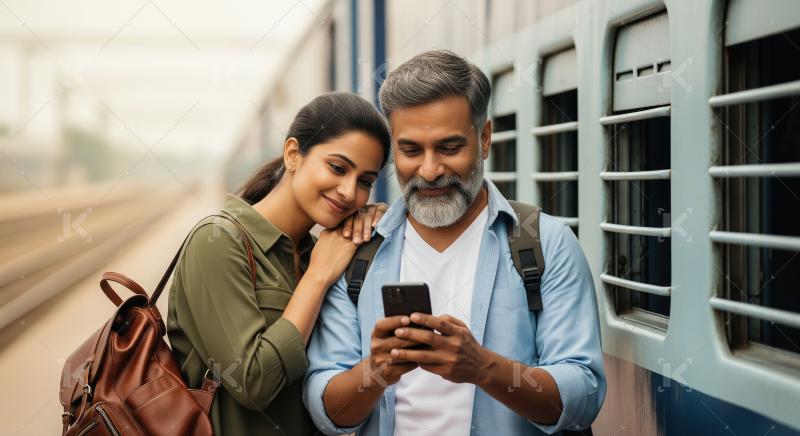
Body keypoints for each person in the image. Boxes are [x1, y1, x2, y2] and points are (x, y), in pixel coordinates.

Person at [304, 50, 606, 435]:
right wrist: (375, 372)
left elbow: (583, 397)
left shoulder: (547, 244)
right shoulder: (355, 251)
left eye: (449, 148)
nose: (429, 171)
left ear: (484, 139)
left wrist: (482, 367)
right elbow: (325, 409)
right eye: (410, 150)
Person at [167, 92, 392, 435]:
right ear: (293, 155)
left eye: (365, 182)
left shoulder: (324, 251)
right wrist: (316, 278)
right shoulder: (217, 242)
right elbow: (252, 383)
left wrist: (384, 226)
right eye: (337, 168)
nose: (349, 192)